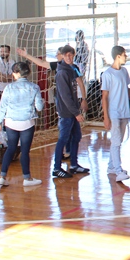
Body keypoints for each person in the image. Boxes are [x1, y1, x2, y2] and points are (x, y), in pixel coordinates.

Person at [0, 61, 44, 188]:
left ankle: (2, 177)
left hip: (10, 122)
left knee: (10, 148)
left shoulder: (8, 88)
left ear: (16, 74)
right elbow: (39, 107)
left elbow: (2, 107)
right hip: (27, 122)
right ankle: (27, 178)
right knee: (25, 151)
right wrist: (41, 101)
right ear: (28, 72)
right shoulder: (34, 87)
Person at [102, 46, 130, 182]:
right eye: (124, 55)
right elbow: (104, 96)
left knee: (118, 141)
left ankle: (111, 166)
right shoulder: (107, 74)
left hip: (124, 111)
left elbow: (127, 89)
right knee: (116, 141)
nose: (126, 57)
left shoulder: (124, 71)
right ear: (118, 56)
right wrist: (106, 116)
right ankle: (118, 170)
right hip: (114, 112)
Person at [53, 45, 89, 178]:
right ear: (62, 56)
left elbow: (77, 86)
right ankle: (57, 168)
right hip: (66, 112)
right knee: (63, 139)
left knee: (76, 137)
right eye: (66, 55)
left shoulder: (72, 69)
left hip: (73, 110)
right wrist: (76, 113)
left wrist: (82, 101)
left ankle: (74, 165)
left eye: (71, 55)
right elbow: (65, 96)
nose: (68, 57)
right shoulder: (62, 72)